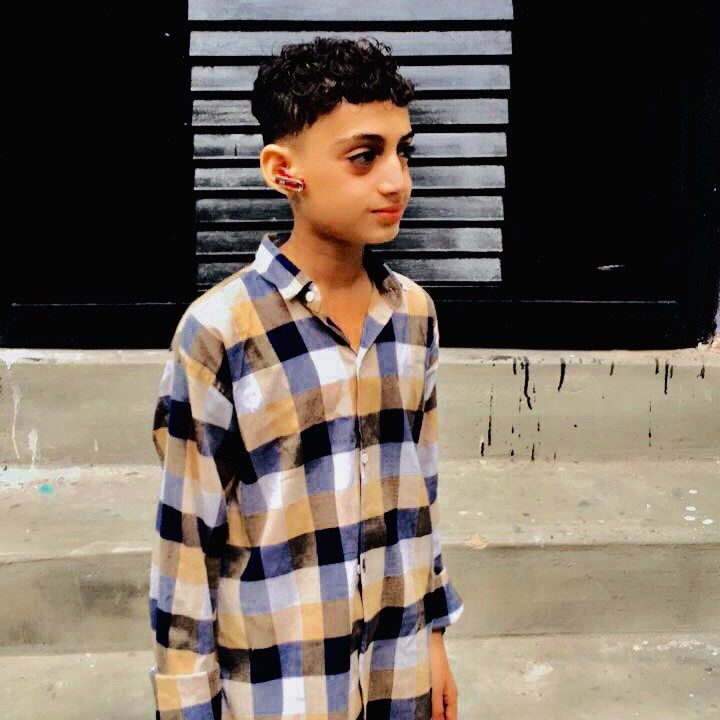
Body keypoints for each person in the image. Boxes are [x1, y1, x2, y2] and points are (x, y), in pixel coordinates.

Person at [148, 36, 464, 720]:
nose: (396, 180)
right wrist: (186, 703)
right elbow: (185, 545)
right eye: (364, 155)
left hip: (398, 668)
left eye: (403, 152)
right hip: (281, 685)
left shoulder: (412, 315)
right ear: (283, 171)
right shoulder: (220, 331)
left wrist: (434, 636)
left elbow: (421, 495)